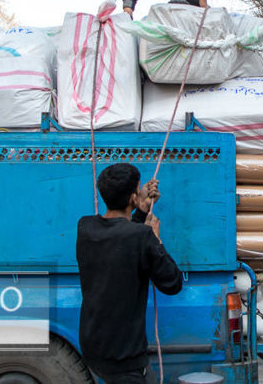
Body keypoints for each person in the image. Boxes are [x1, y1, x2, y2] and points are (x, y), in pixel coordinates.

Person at [77, 164, 183, 383]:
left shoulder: (85, 227)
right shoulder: (142, 237)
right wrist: (156, 239)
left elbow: (121, 237)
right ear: (132, 198)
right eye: (138, 189)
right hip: (124, 359)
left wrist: (141, 209)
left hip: (94, 350)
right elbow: (172, 283)